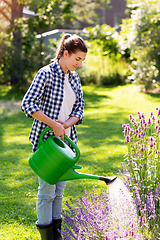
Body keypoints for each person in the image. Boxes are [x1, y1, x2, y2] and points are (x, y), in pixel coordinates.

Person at [21, 34, 88, 240]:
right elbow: (28, 103)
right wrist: (53, 125)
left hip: (66, 142)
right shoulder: (46, 73)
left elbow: (79, 108)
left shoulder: (74, 78)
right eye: (77, 59)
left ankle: (56, 235)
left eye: (82, 61)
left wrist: (65, 125)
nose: (79, 64)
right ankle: (46, 236)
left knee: (59, 192)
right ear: (65, 54)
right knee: (47, 192)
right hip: (46, 143)